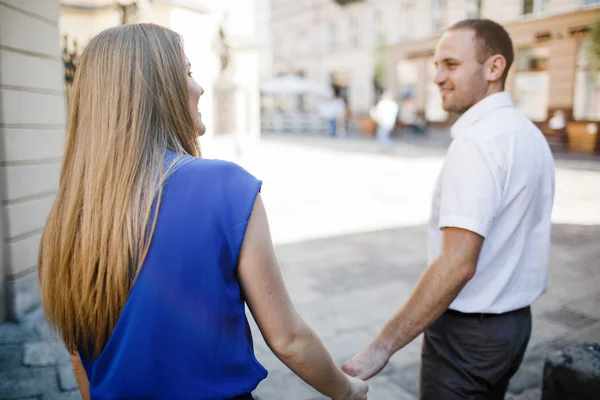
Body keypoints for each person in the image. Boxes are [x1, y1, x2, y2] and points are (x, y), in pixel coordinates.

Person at [38, 24, 368, 400]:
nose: (200, 87)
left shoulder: (70, 215)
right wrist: (347, 391)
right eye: (188, 73)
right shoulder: (225, 187)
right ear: (158, 90)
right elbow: (288, 338)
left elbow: (79, 359)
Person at [342, 18, 555, 400]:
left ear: (494, 68)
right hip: (514, 327)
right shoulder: (529, 134)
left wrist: (382, 346)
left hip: (468, 336)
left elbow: (457, 263)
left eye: (451, 65)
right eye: (437, 65)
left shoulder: (477, 143)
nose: (437, 76)